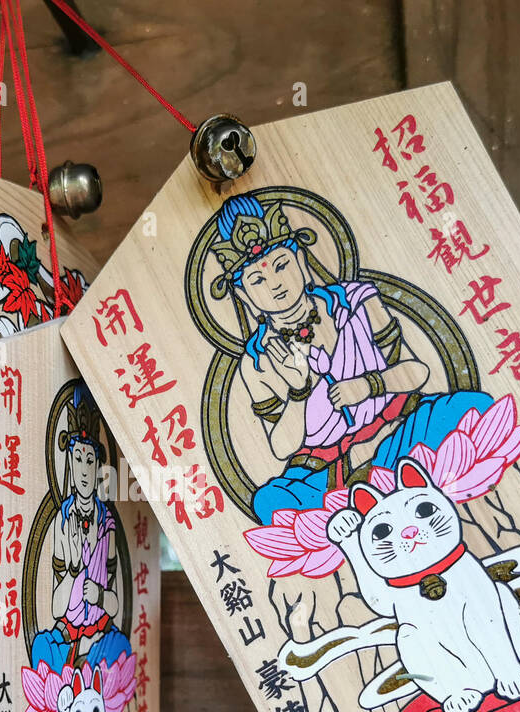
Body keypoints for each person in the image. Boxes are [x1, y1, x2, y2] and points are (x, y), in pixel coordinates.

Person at [209, 194, 492, 523]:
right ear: (244, 295)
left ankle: (372, 490)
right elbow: (282, 447)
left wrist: (370, 385)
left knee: (473, 408)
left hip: (394, 428)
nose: (275, 284)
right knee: (271, 503)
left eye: (282, 265)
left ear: (301, 261)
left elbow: (417, 372)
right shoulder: (258, 362)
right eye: (257, 280)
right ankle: (384, 485)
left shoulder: (358, 301)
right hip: (326, 470)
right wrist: (299, 392)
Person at [30, 388, 132, 672]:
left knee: (121, 650)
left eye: (90, 461)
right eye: (78, 459)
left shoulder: (107, 525)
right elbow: (56, 609)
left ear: (99, 465)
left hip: (100, 633)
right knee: (42, 650)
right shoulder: (61, 524)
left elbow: (113, 605)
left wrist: (99, 595)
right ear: (69, 464)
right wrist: (73, 572)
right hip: (67, 637)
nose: (84, 471)